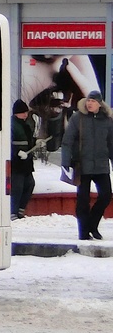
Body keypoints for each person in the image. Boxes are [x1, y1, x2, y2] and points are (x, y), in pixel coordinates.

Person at [60, 89, 113, 241]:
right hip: (82, 165)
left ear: (100, 104)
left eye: (93, 101)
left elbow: (111, 144)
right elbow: (67, 141)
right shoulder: (78, 118)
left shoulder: (107, 120)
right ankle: (83, 232)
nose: (90, 103)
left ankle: (92, 225)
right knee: (82, 200)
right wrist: (65, 162)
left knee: (105, 196)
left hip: (101, 165)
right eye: (88, 100)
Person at [10, 99, 35, 219]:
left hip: (26, 163)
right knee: (17, 187)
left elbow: (29, 141)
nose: (25, 114)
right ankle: (13, 212)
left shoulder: (26, 124)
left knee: (29, 184)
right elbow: (7, 143)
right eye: (23, 112)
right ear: (16, 113)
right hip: (17, 163)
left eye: (26, 112)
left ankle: (21, 210)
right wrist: (17, 152)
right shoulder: (11, 125)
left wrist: (37, 143)